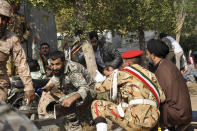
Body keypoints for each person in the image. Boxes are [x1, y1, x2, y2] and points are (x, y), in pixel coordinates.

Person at [91, 50, 166, 131]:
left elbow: (99, 88)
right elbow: (162, 98)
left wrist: (101, 79)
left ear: (128, 63)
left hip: (135, 119)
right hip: (152, 120)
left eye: (123, 62)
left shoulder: (123, 73)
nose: (123, 65)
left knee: (97, 105)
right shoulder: (151, 75)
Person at [38, 51, 96, 131]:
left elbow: (84, 88)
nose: (54, 67)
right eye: (52, 64)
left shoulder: (72, 70)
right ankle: (45, 120)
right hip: (72, 89)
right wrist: (48, 87)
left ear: (64, 62)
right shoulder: (58, 69)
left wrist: (71, 98)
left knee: (64, 101)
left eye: (57, 64)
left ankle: (75, 126)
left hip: (89, 91)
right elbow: (56, 78)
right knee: (46, 94)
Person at [146, 39, 192, 130]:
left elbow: (159, 97)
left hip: (177, 114)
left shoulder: (163, 69)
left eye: (147, 55)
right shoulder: (167, 64)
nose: (147, 58)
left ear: (153, 56)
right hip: (181, 111)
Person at [0, 0, 34, 103]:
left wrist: (29, 87)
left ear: (8, 21)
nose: (0, 22)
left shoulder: (12, 39)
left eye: (4, 19)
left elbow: (21, 63)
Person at [6, 2, 30, 77]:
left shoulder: (21, 17)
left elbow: (28, 30)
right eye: (16, 4)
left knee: (18, 68)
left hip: (18, 46)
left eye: (19, 4)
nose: (18, 5)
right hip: (7, 46)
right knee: (8, 69)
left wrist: (23, 38)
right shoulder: (5, 17)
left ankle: (17, 86)